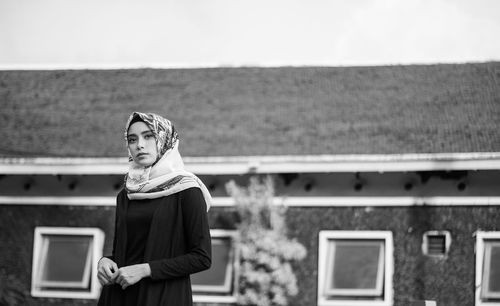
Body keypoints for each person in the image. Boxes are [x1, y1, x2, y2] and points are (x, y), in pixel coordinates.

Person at [97, 112, 212, 306]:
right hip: (120, 296)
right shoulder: (126, 194)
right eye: (132, 139)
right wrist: (106, 261)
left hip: (163, 297)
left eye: (148, 136)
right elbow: (126, 252)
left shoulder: (187, 189)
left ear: (165, 138)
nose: (139, 145)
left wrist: (145, 270)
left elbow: (201, 257)